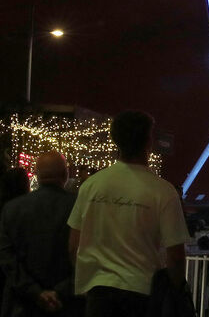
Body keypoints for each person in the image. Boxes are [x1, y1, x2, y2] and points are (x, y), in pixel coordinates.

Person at [67, 111, 190, 317]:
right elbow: (176, 256)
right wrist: (176, 290)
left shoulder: (92, 186)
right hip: (143, 292)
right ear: (148, 142)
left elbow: (74, 246)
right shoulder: (163, 192)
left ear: (115, 140)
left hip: (99, 291)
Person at [0, 152, 80, 317]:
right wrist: (61, 291)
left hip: (22, 304)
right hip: (67, 304)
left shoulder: (12, 209)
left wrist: (35, 291)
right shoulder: (78, 207)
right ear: (65, 174)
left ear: (37, 174)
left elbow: (7, 257)